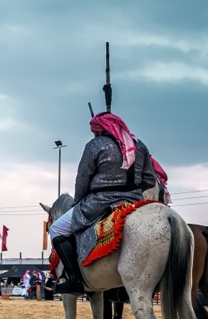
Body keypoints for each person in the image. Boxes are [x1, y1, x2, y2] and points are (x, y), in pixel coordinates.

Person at [48, 111, 158, 295]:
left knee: (56, 229)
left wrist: (79, 200)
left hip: (99, 201)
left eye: (95, 131)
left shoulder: (95, 145)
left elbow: (82, 178)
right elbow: (149, 179)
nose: (94, 134)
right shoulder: (139, 146)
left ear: (100, 130)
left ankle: (75, 279)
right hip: (134, 202)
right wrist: (132, 190)